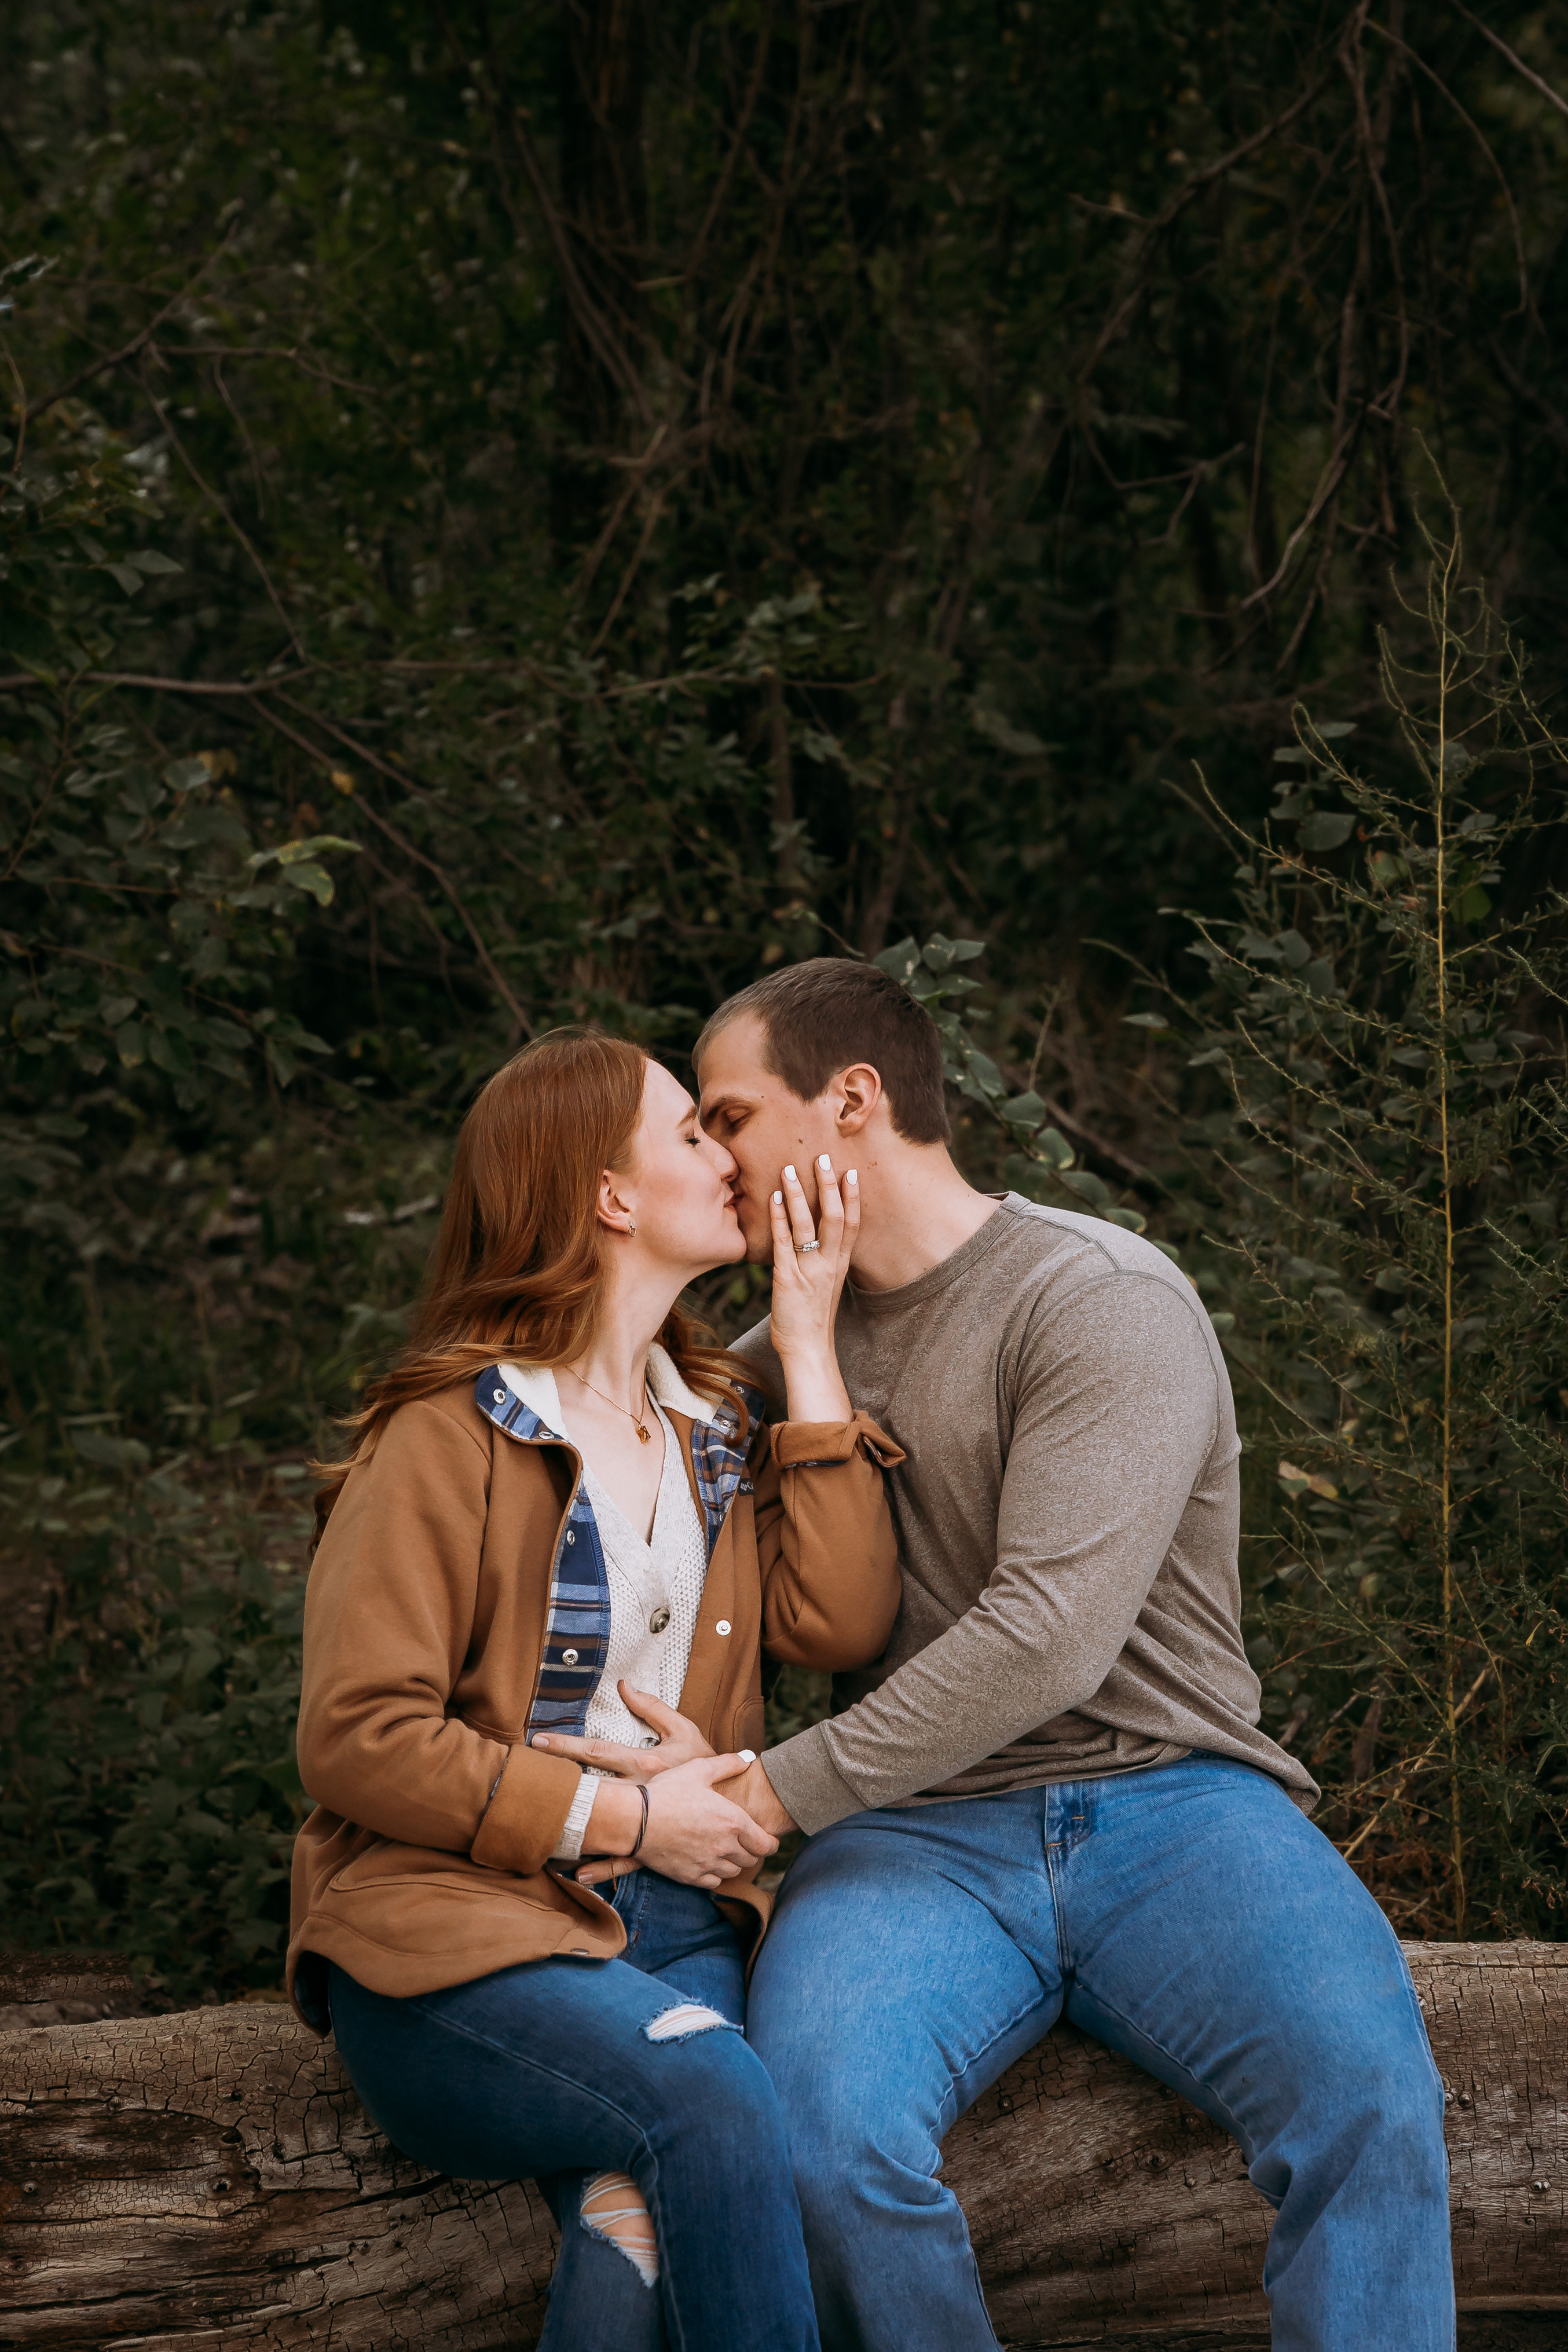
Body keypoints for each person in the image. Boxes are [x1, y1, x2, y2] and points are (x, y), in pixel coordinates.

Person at [554, 959, 1455, 2352]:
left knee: (1373, 2104)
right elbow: (623, 1541)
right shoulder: (766, 1358)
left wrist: (765, 1794)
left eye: (727, 1115)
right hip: (911, 1841)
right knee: (816, 2145)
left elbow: (1049, 1638)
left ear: (848, 1101)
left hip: (1173, 1802)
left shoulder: (1096, 1297)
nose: (711, 1154)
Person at [286, 1028, 903, 2352]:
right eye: (690, 1132)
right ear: (609, 1197)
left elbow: (840, 1616)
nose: (725, 1155)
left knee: (633, 2204)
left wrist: (806, 1342)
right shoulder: (449, 1436)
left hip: (679, 1925)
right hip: (456, 1934)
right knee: (717, 2103)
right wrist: (627, 1819)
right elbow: (355, 1738)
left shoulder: (711, 1423)